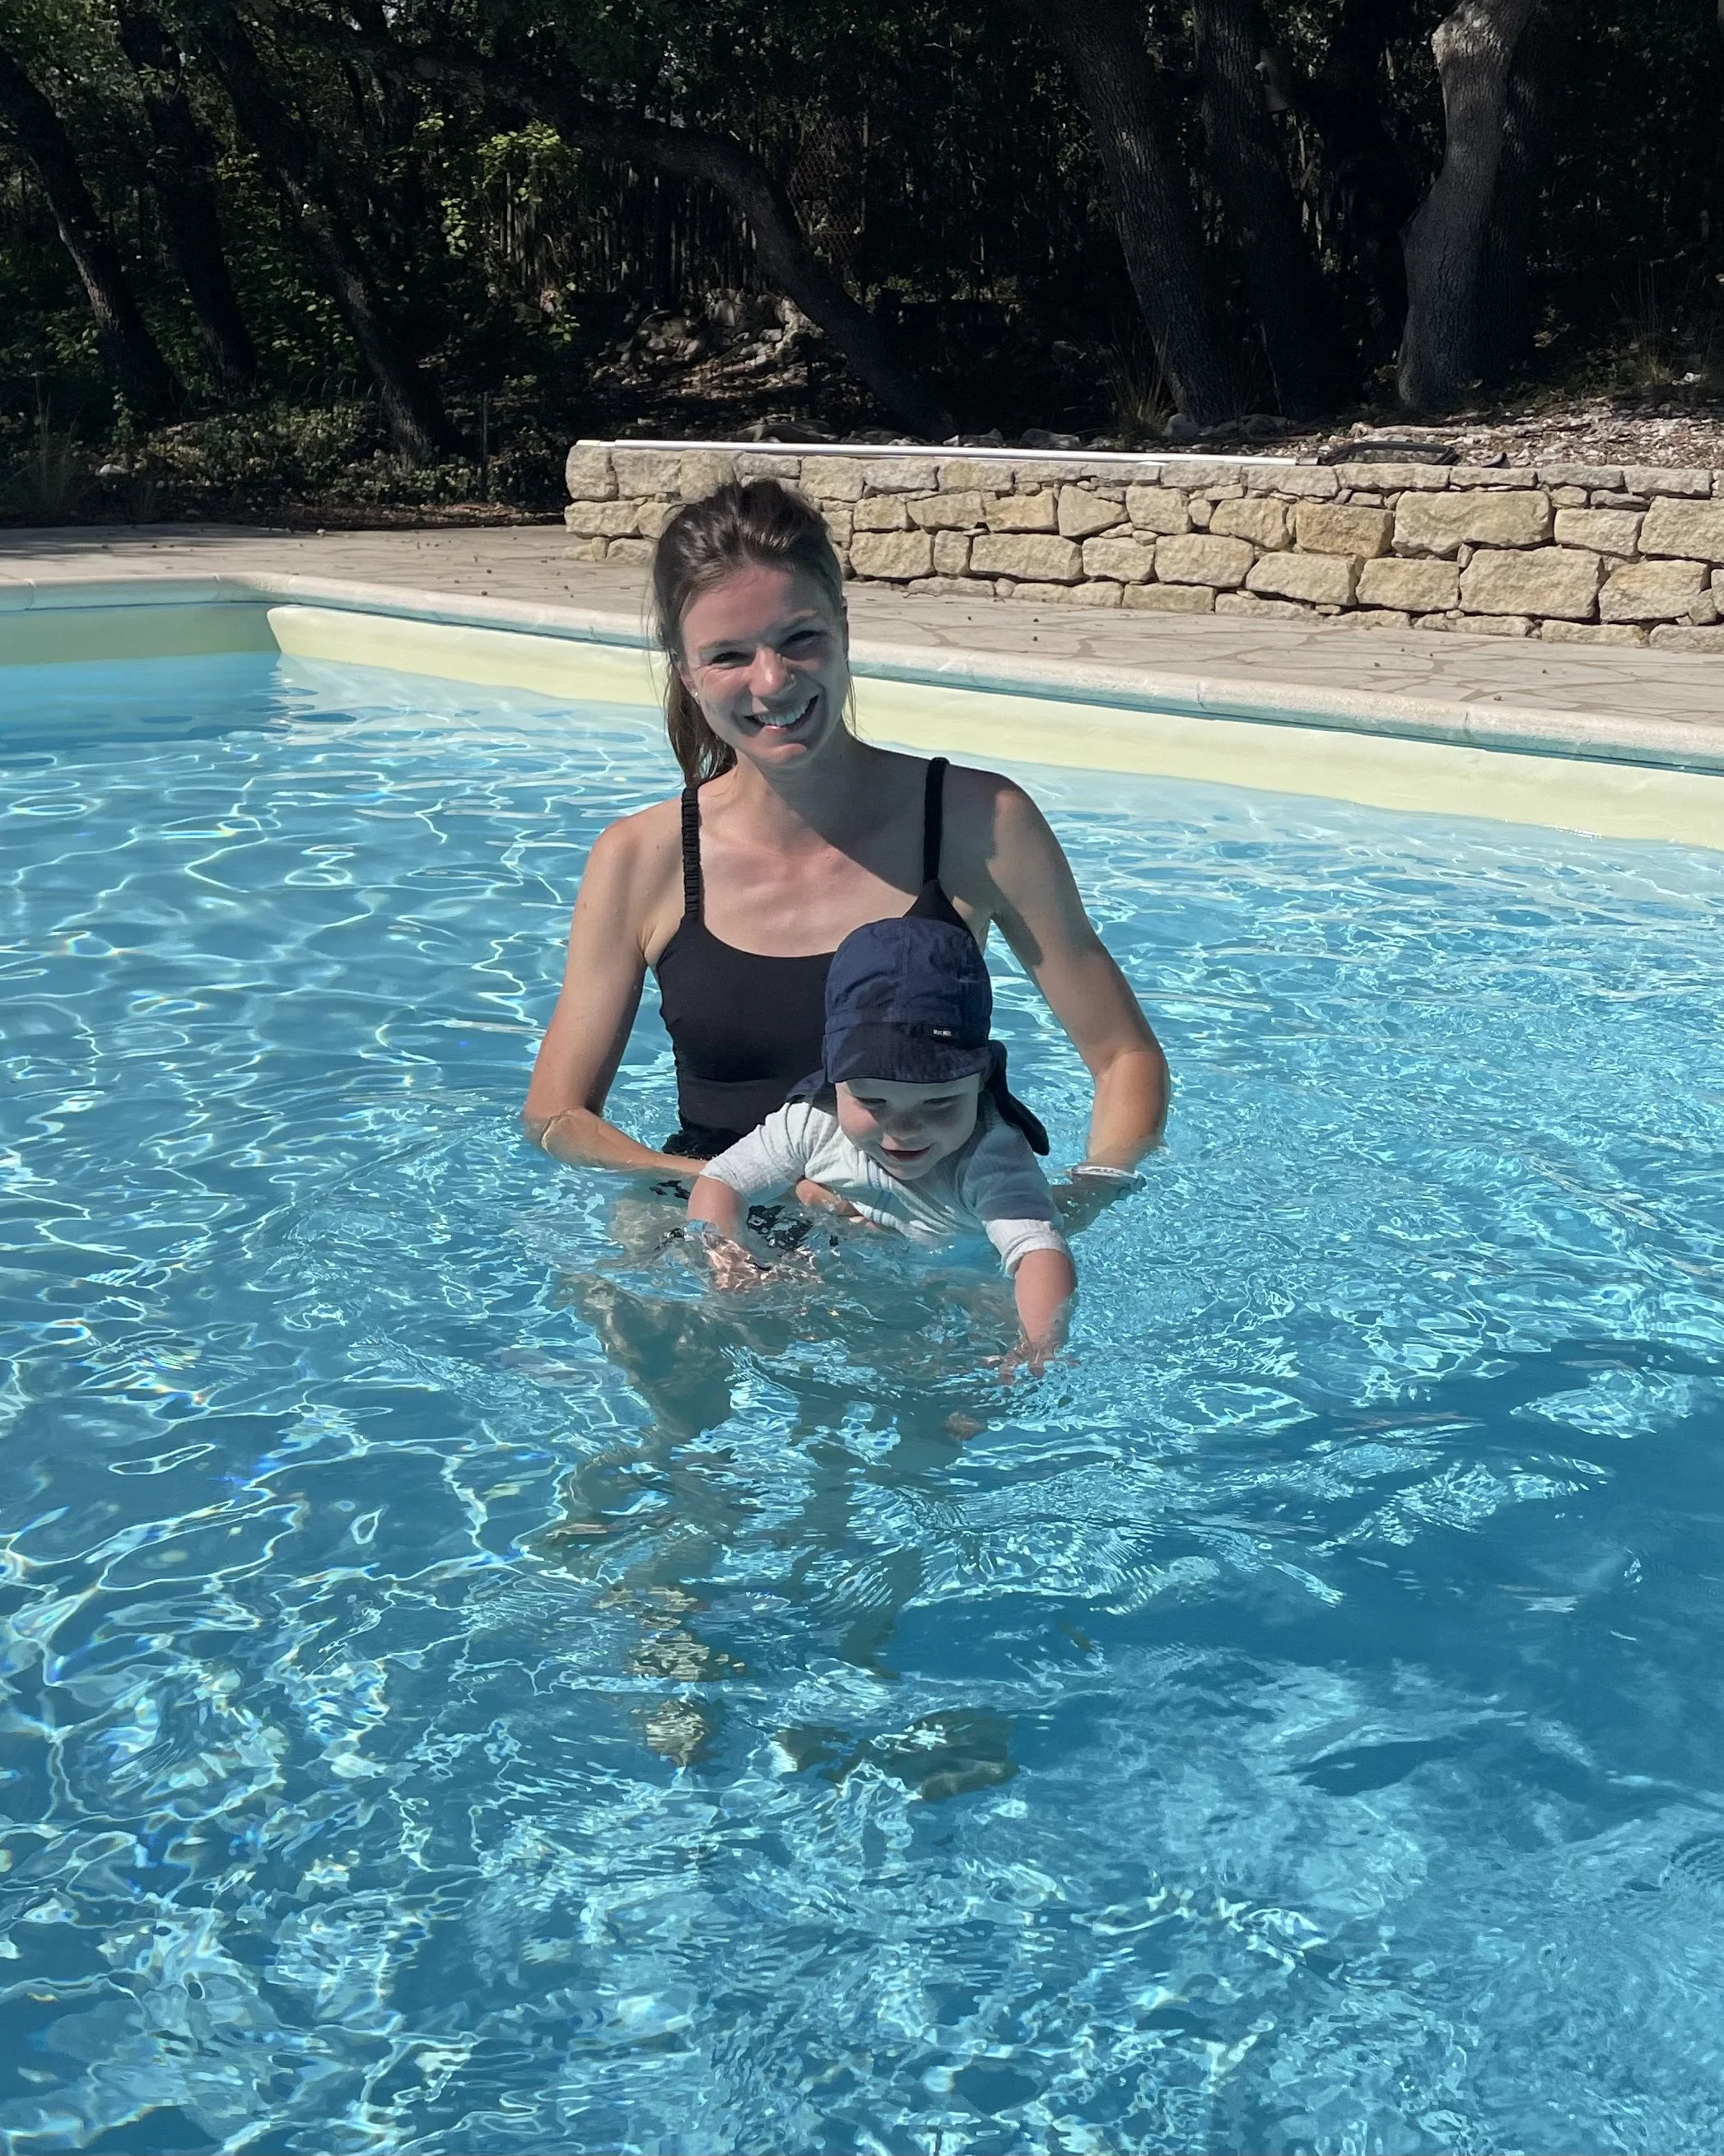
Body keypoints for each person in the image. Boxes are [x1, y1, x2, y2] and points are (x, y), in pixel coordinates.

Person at [523, 477, 1167, 1208]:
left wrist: (1076, 1201)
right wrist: (732, 1185)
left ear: (844, 629)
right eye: (728, 656)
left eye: (800, 638)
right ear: (686, 673)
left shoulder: (980, 823)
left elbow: (1124, 1055)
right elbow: (555, 1117)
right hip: (712, 1228)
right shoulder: (642, 858)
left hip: (921, 1227)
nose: (772, 681)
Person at [687, 915, 1077, 1364]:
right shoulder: (814, 1120)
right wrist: (729, 1262)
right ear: (835, 1078)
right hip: (845, 1265)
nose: (904, 1128)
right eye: (873, 1101)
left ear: (982, 1079)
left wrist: (1041, 1344)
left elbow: (1038, 1252)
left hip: (956, 1285)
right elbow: (722, 1182)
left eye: (938, 1102)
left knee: (972, 1359)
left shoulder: (990, 1154)